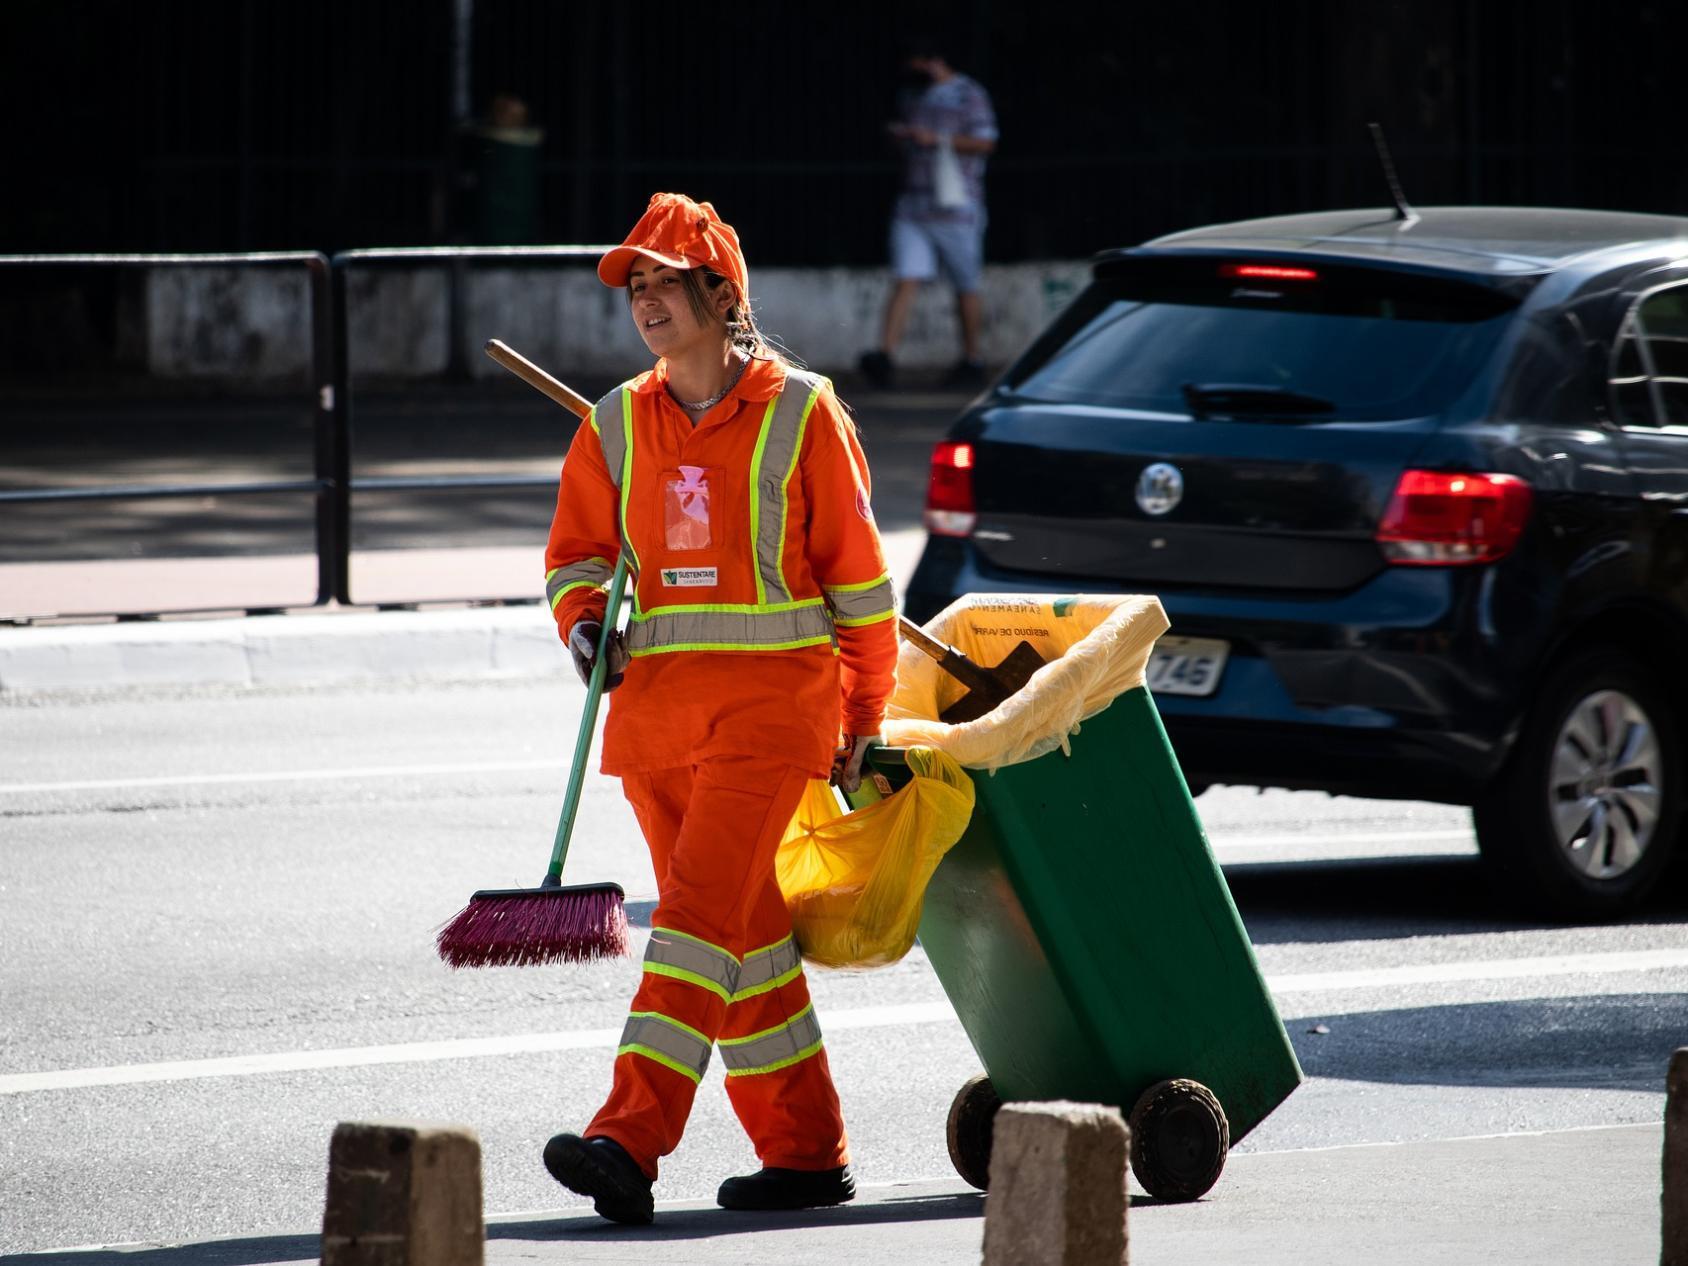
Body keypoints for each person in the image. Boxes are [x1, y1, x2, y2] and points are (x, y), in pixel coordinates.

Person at [539, 192, 899, 1225]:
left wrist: (861, 716)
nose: (645, 300)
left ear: (718, 291)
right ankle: (802, 1152)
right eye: (634, 285)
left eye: (663, 280)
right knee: (740, 938)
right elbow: (576, 557)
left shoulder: (801, 410)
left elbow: (860, 585)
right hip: (652, 725)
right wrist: (581, 628)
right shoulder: (615, 421)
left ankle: (628, 1137)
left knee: (693, 926)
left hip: (770, 720)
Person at [858, 40, 998, 390]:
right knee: (906, 276)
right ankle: (885, 356)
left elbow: (986, 141)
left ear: (934, 59)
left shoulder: (968, 94)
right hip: (913, 203)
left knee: (966, 283)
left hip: (957, 207)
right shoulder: (911, 95)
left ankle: (972, 358)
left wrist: (936, 139)